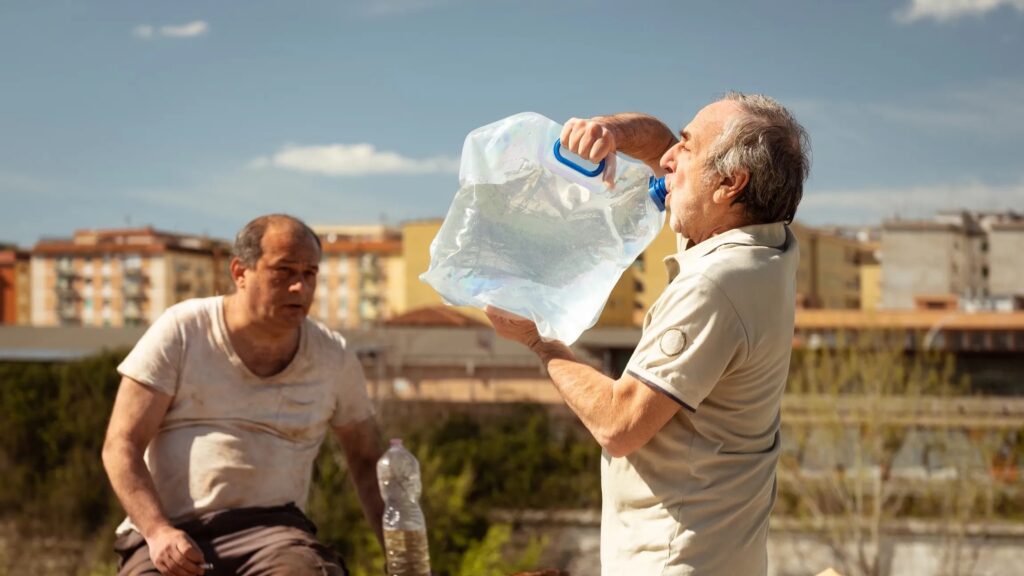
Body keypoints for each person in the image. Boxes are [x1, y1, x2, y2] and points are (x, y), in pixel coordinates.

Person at [487, 92, 810, 575]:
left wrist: (541, 341)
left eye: (687, 148)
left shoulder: (715, 286)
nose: (667, 160)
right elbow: (659, 142)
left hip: (673, 560)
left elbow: (620, 424)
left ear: (729, 184)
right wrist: (610, 131)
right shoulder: (765, 246)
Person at [102, 214, 384, 576]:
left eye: (309, 274)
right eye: (284, 272)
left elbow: (368, 461)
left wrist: (407, 559)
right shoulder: (184, 329)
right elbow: (120, 444)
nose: (300, 287)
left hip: (275, 536)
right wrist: (157, 531)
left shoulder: (333, 355)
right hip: (170, 532)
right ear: (240, 272)